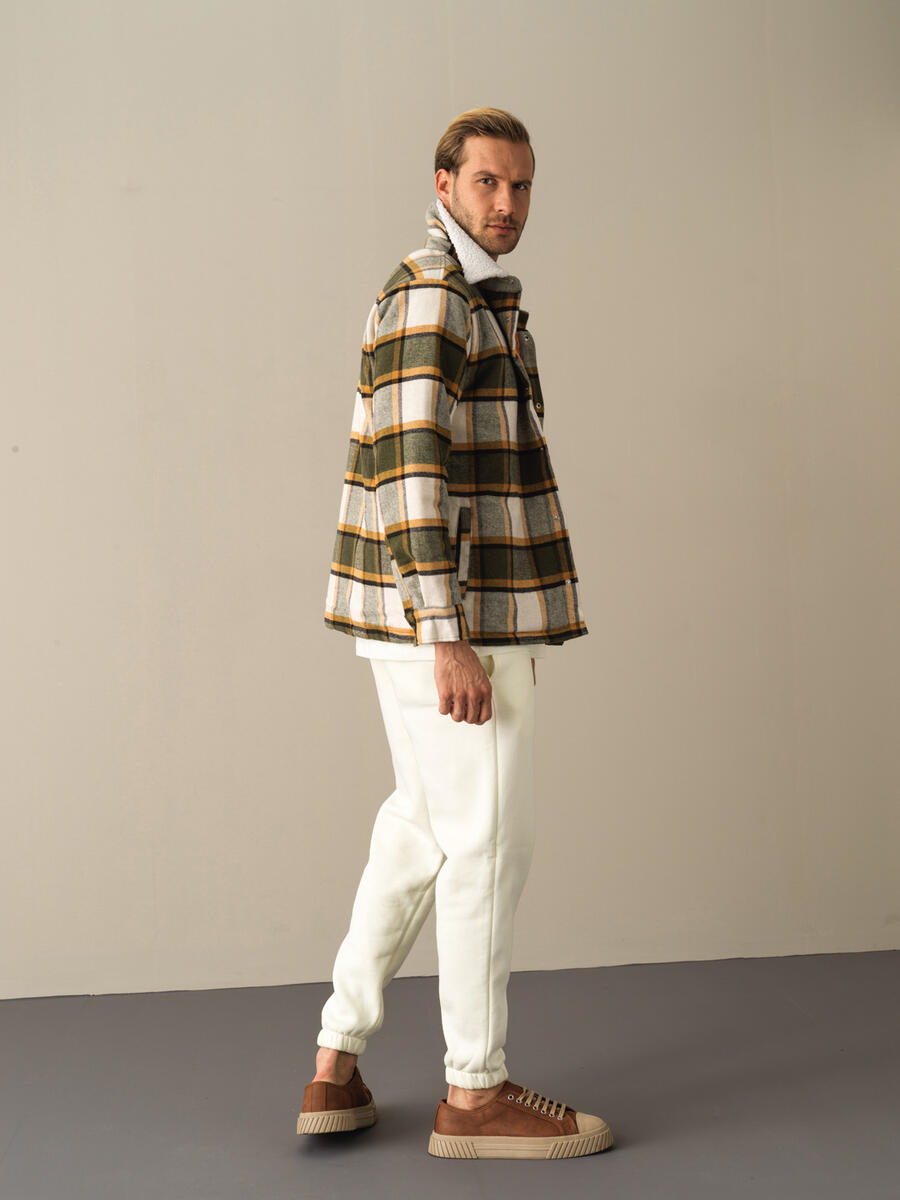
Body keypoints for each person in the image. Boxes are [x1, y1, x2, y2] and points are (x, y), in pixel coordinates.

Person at [297, 107, 614, 1161]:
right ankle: (474, 1093)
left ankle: (336, 1059)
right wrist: (449, 635)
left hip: (449, 617)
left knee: (422, 831)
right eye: (487, 182)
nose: (507, 203)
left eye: (521, 186)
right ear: (444, 184)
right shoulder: (436, 296)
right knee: (488, 845)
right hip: (445, 620)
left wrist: (478, 630)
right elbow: (409, 472)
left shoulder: (478, 298)